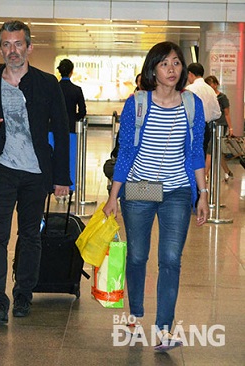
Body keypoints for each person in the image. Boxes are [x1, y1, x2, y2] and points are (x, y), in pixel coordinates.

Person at [103, 41, 209, 352]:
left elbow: (195, 153)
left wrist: (202, 193)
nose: (172, 69)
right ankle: (134, 315)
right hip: (140, 187)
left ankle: (164, 329)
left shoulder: (192, 104)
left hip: (177, 189)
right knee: (137, 256)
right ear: (153, 69)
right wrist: (113, 197)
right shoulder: (137, 103)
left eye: (176, 63)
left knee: (171, 260)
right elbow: (125, 154)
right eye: (164, 64)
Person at [0, 20, 71, 324]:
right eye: (7, 45)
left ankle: (24, 292)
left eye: (18, 44)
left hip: (36, 173)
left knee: (30, 236)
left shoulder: (47, 83)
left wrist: (62, 178)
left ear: (29, 47)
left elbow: (61, 133)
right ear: (0, 48)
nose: (13, 50)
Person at [185, 63, 221, 159]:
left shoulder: (189, 89)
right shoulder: (210, 90)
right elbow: (217, 113)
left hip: (191, 128)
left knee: (189, 158)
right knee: (201, 158)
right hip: (205, 128)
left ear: (190, 73)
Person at [204, 75, 234, 182]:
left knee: (210, 150)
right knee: (216, 150)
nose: (209, 86)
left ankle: (205, 174)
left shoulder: (222, 97)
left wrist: (230, 128)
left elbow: (227, 114)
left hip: (220, 126)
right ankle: (227, 171)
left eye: (211, 83)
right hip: (209, 125)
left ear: (216, 84)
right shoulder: (208, 97)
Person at [57, 58, 86, 133]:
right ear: (71, 72)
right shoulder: (77, 90)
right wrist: (73, 117)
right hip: (70, 127)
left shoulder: (53, 88)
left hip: (54, 127)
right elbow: (82, 111)